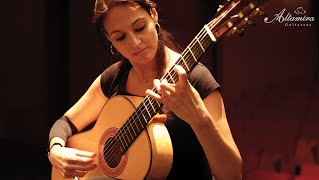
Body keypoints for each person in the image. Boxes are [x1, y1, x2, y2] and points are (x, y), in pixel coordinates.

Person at [48, 0, 242, 179]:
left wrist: (200, 119)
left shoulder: (196, 80)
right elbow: (65, 123)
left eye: (140, 28)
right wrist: (56, 149)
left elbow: (232, 174)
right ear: (109, 39)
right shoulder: (115, 78)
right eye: (120, 37)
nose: (134, 42)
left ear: (154, 15)